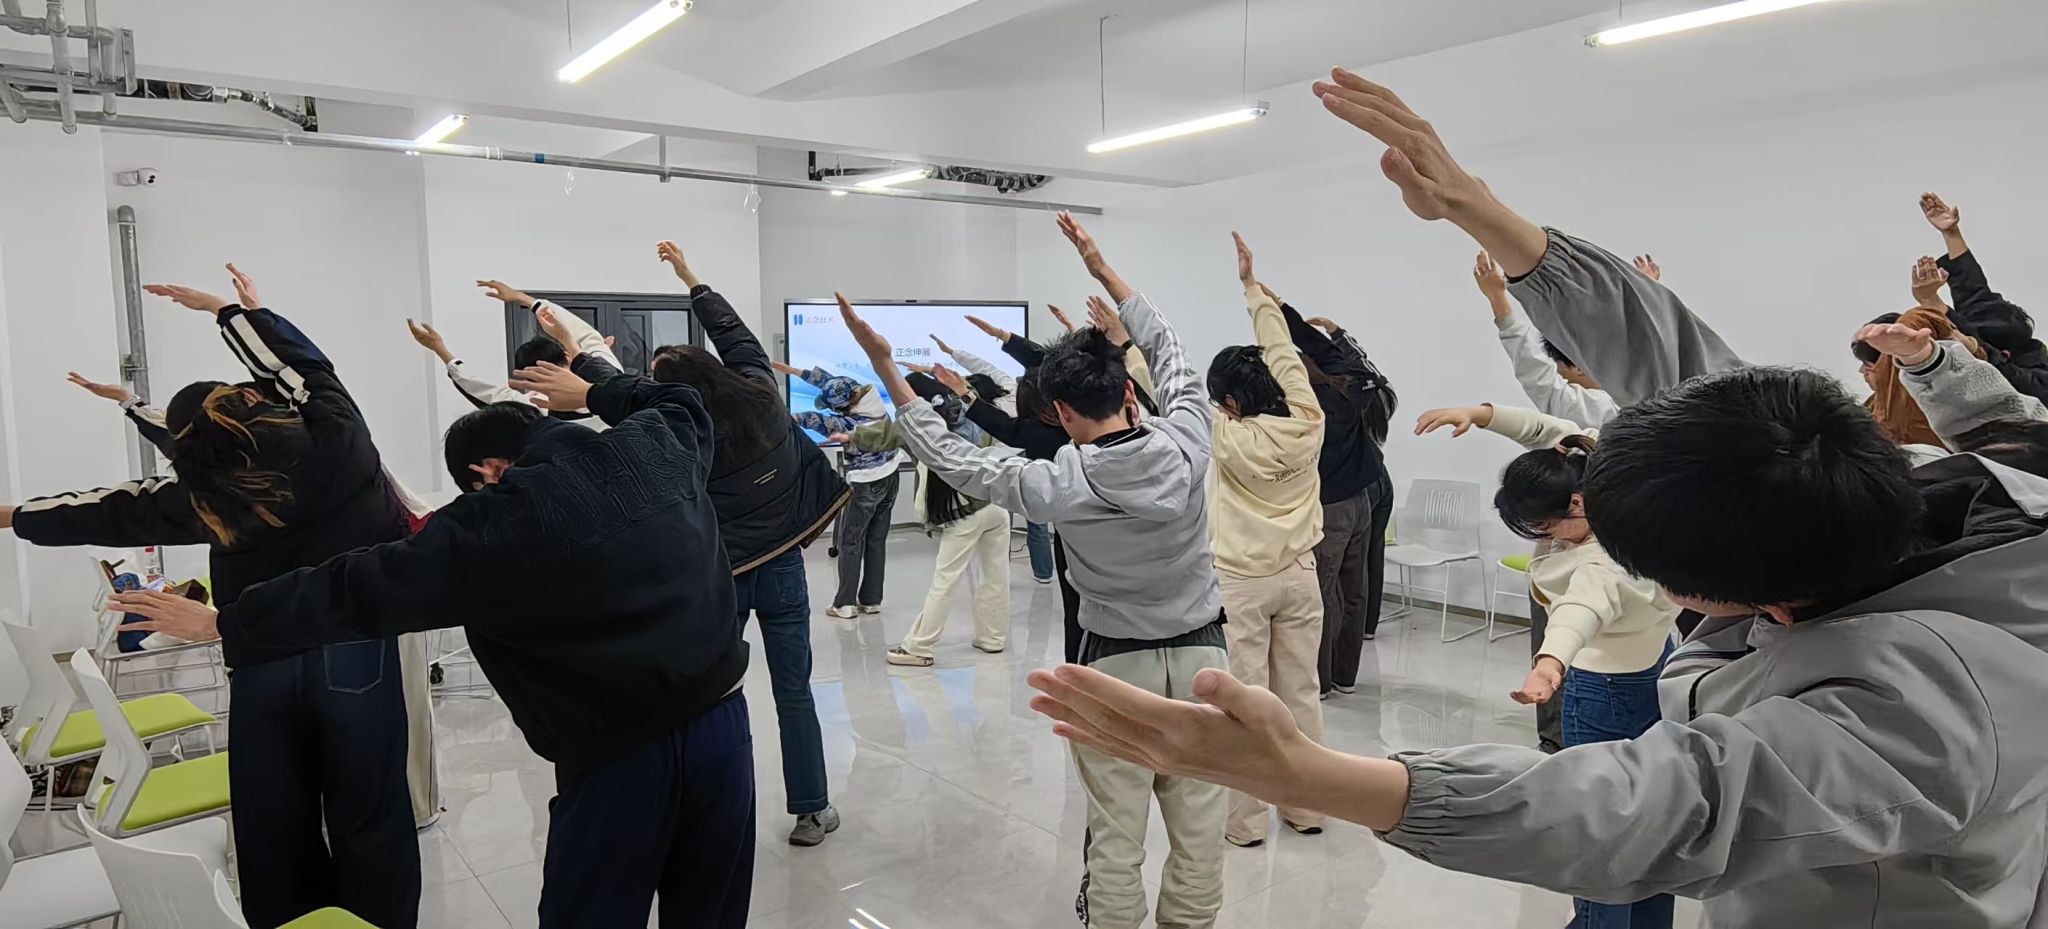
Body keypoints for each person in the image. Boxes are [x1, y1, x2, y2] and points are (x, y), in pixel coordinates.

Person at [1039, 66, 2048, 927]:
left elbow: (1651, 808)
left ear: (1734, 599)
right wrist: (1482, 213)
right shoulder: (1929, 490)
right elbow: (1685, 363)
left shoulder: (1919, 715)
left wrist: (1313, 775)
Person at [113, 313, 756, 929]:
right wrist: (591, 383)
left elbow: (355, 587)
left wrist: (226, 623)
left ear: (487, 473)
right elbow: (676, 397)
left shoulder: (488, 530)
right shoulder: (661, 442)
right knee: (711, 911)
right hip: (724, 729)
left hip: (616, 761)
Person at [838, 210, 1228, 929]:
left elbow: (956, 458)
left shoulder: (1058, 482)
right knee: (1200, 828)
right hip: (1207, 660)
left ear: (1061, 413)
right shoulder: (1189, 438)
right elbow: (1170, 349)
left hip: (1115, 667)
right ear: (1129, 394)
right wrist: (1102, 268)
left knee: (1115, 832)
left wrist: (888, 367)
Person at [3, 266, 420, 929]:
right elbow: (304, 366)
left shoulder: (204, 496)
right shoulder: (338, 437)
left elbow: (104, 509)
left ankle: (287, 919)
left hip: (259, 658)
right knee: (371, 811)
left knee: (273, 817)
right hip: (353, 653)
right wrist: (233, 313)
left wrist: (12, 516)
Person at [64, 368, 445, 830]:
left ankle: (416, 807)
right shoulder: (275, 450)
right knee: (358, 742)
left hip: (371, 603)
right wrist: (130, 404)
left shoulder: (321, 449)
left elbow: (197, 442)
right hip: (314, 617)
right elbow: (197, 442)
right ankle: (387, 814)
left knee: (395, 724)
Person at [1416, 401, 1680, 928]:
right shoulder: (1615, 481)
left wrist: (1549, 664)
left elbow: (1579, 610)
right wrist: (1481, 414)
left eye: (1544, 524)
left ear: (1576, 504)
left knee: (1599, 827)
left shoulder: (1600, 561)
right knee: (1651, 816)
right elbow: (1546, 431)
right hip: (1657, 670)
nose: (1544, 537)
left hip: (1604, 691)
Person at [649, 240, 849, 846]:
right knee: (795, 692)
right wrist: (692, 279)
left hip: (724, 576)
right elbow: (737, 338)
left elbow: (619, 394)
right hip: (784, 568)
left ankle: (709, 813)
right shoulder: (762, 394)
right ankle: (812, 810)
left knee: (712, 694)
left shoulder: (681, 435)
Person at [1203, 233, 1328, 849]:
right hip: (1301, 575)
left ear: (1228, 401)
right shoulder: (1309, 421)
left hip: (1241, 582)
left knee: (1244, 705)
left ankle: (1245, 823)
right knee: (1301, 695)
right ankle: (1307, 808)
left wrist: (1127, 342)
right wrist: (1255, 293)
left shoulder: (1225, 436)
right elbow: (1286, 359)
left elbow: (1160, 390)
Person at [837, 366, 1012, 667]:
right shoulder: (971, 411)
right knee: (995, 577)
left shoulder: (923, 424)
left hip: (963, 514)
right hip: (995, 505)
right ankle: (992, 638)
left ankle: (919, 647)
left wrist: (851, 437)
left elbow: (887, 435)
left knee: (944, 581)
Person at [1276, 294, 1397, 698]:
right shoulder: (1355, 389)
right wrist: (1292, 315)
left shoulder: (1306, 408)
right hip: (1364, 498)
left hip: (1330, 508)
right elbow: (1342, 359)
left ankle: (1321, 681)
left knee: (1323, 591)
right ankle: (1346, 675)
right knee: (1354, 588)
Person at [776, 359, 901, 619]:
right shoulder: (868, 398)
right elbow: (828, 381)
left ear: (839, 406)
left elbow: (808, 419)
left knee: (850, 542)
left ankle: (844, 604)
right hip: (891, 476)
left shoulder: (847, 425)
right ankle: (871, 600)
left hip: (866, 483)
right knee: (876, 540)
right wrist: (794, 371)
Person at [405, 281, 623, 428]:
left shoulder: (534, 406)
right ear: (566, 356)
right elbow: (584, 334)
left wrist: (441, 350)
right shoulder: (608, 374)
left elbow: (482, 390)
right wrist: (524, 299)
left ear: (528, 378)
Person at [1921, 192, 2048, 403]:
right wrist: (1951, 233)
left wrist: (1931, 301)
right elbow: (1973, 292)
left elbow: (2005, 375)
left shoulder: (2037, 380)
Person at [1475, 250, 1618, 429]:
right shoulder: (1610, 402)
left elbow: (1536, 372)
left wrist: (1497, 298)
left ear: (1579, 367)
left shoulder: (1584, 406)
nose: (1558, 371)